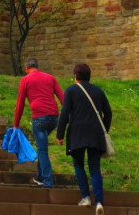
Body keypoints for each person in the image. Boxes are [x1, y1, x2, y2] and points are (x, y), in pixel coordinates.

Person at [56, 63, 112, 215]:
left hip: (77, 133)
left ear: (75, 76)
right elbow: (108, 112)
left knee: (78, 164)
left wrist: (59, 134)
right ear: (89, 76)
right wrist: (104, 130)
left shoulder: (71, 90)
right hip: (95, 134)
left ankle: (86, 197)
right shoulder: (98, 91)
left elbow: (65, 113)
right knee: (95, 168)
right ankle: (99, 202)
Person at [13, 56, 64, 189]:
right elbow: (62, 97)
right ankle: (39, 177)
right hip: (54, 118)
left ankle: (47, 182)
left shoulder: (25, 80)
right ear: (37, 66)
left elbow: (20, 104)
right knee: (42, 147)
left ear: (26, 68)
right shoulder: (50, 77)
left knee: (42, 150)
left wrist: (15, 124)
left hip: (39, 119)